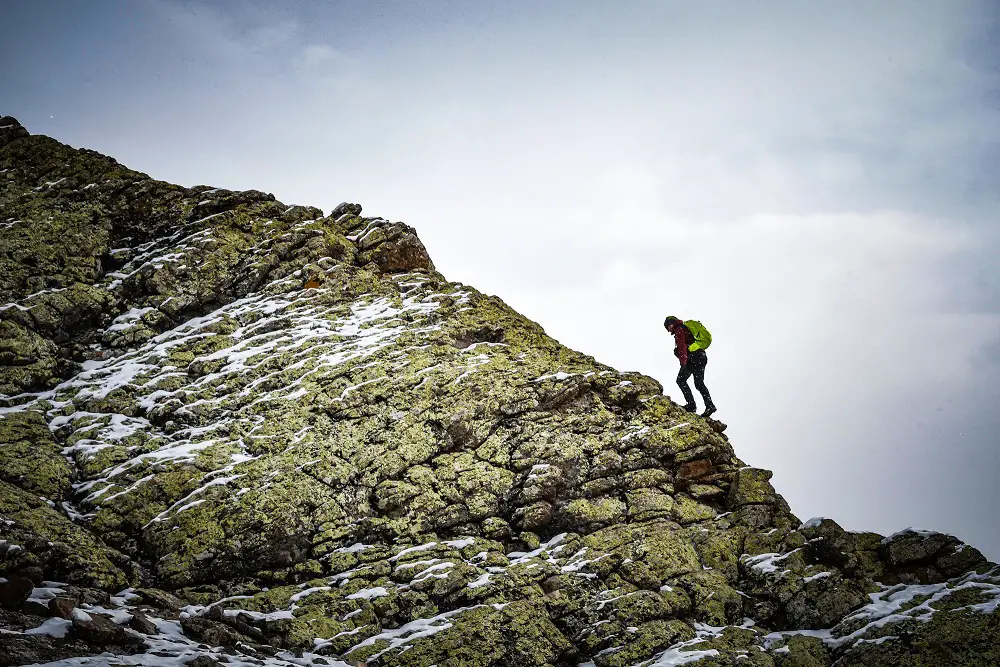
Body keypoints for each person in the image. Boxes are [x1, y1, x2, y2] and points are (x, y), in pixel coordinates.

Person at [664, 316, 717, 418]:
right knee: (699, 383)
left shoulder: (679, 330)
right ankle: (709, 405)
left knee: (680, 380)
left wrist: (683, 362)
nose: (668, 330)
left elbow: (682, 348)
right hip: (701, 357)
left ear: (671, 323)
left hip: (693, 359)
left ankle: (692, 405)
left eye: (668, 327)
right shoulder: (684, 328)